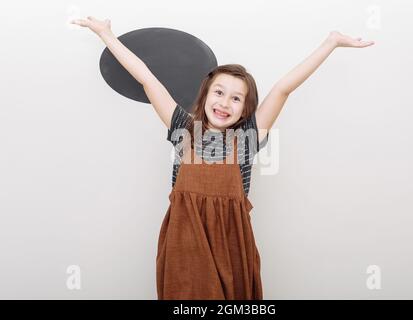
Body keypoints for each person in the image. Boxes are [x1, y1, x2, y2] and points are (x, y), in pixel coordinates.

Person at [71, 16, 374, 300]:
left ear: (246, 109)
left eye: (236, 98)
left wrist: (330, 43)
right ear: (205, 95)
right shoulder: (182, 128)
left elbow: (284, 88)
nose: (225, 103)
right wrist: (106, 34)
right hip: (184, 244)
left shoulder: (248, 138)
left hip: (232, 247)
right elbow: (148, 80)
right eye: (219, 92)